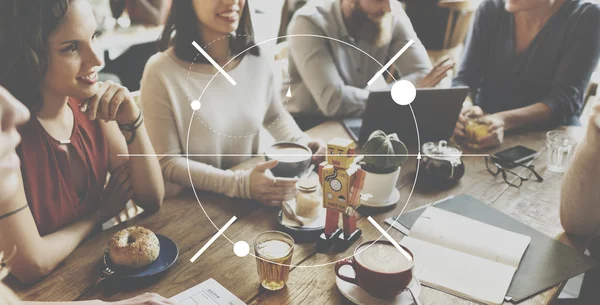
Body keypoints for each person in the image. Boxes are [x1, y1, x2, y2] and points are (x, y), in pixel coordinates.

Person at [0, 0, 164, 283]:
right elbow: (31, 264)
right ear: (32, 56)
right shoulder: (7, 137)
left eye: (93, 37)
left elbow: (151, 197)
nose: (97, 59)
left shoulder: (92, 107)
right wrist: (99, 213)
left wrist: (132, 119)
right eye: (72, 48)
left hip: (94, 277)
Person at [139, 0, 326, 205]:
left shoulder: (257, 57)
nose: (231, 2)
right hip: (192, 207)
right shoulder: (160, 71)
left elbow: (274, 116)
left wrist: (302, 143)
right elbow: (167, 162)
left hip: (251, 200)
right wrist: (239, 184)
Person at [453, 0, 600, 149]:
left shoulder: (586, 16)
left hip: (551, 138)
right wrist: (466, 107)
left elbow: (565, 100)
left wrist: (503, 120)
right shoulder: (491, 7)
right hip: (485, 131)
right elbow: (464, 78)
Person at [285, 0, 454, 128]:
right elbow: (333, 101)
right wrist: (400, 95)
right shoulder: (309, 22)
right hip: (308, 123)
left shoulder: (389, 13)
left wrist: (385, 99)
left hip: (358, 115)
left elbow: (425, 76)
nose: (387, 7)